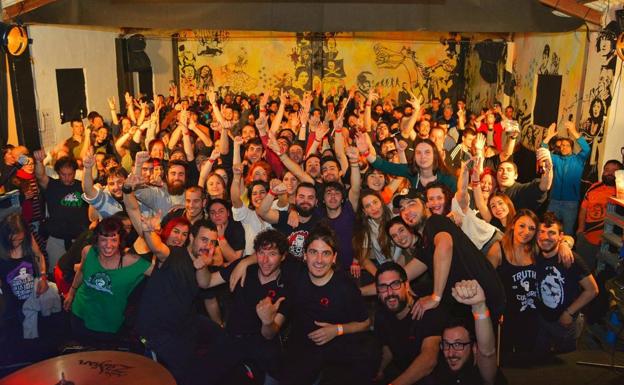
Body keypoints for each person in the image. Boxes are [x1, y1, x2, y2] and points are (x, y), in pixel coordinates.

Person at [258, 225, 380, 385]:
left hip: (336, 357)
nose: (319, 260)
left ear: (334, 257)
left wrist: (337, 330)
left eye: (326, 253)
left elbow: (365, 323)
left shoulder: (346, 287)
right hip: (299, 354)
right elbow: (269, 333)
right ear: (305, 255)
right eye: (314, 252)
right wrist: (267, 322)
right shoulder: (296, 279)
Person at [201, 229, 293, 384]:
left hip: (262, 348)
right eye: (261, 253)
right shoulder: (245, 268)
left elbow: (269, 334)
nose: (265, 260)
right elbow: (207, 282)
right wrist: (202, 265)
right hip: (232, 339)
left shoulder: (286, 287)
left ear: (282, 257)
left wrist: (267, 321)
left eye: (272, 254)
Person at [137, 218, 220, 385]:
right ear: (192, 238)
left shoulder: (202, 264)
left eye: (212, 242)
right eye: (204, 240)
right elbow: (158, 248)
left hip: (182, 332)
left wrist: (220, 325)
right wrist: (147, 231)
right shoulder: (174, 254)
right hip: (158, 334)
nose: (207, 245)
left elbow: (207, 290)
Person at [63, 216, 152, 345]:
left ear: (120, 240)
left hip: (109, 324)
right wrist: (71, 292)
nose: (108, 245)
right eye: (104, 240)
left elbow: (165, 274)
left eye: (114, 240)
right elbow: (81, 271)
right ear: (97, 240)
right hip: (81, 314)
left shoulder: (134, 263)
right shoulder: (88, 252)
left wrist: (153, 236)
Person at [535, 213, 598, 355]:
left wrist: (569, 312)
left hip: (565, 323)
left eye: (552, 233)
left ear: (560, 235)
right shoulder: (536, 253)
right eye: (542, 232)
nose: (545, 237)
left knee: (565, 369)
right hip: (542, 320)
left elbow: (592, 290)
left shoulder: (569, 258)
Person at [374, 262, 442, 384]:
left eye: (395, 284)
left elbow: (429, 359)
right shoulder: (382, 314)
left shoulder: (426, 310)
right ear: (378, 292)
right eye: (383, 287)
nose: (389, 293)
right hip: (402, 374)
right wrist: (379, 370)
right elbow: (388, 346)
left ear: (406, 285)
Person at [486, 209, 539, 362]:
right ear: (512, 226)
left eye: (532, 228)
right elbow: (486, 281)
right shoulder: (498, 249)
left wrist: (565, 244)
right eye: (522, 226)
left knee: (528, 361)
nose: (526, 232)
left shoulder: (536, 249)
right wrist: (495, 309)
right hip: (506, 317)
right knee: (505, 359)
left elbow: (561, 239)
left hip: (531, 317)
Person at [33, 151, 89, 274]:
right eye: (63, 174)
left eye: (70, 174)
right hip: (56, 239)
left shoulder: (82, 186)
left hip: (79, 239)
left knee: (79, 273)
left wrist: (88, 167)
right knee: (56, 272)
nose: (67, 177)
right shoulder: (52, 185)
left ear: (75, 172)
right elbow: (40, 175)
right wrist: (38, 161)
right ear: (58, 173)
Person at [434, 280, 499, 385]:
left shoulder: (480, 374)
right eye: (446, 344)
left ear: (474, 348)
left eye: (458, 344)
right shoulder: (439, 373)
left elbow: (487, 353)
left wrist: (479, 307)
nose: (451, 353)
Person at [541, 122, 590, 235]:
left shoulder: (578, 159)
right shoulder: (556, 159)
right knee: (548, 229)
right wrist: (549, 136)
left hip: (571, 203)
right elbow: (542, 151)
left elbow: (586, 149)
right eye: (562, 145)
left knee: (567, 232)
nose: (564, 147)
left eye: (567, 145)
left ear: (572, 148)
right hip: (554, 201)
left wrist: (573, 131)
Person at [576, 159, 623, 269]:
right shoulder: (594, 187)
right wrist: (580, 229)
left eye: (614, 170)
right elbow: (583, 209)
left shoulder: (621, 193)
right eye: (606, 170)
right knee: (582, 270)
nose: (610, 173)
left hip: (609, 243)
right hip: (587, 238)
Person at [258, 182, 321, 260]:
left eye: (310, 198)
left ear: (316, 202)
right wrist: (272, 192)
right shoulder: (285, 217)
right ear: (295, 199)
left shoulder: (321, 224)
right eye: (301, 197)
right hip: (284, 270)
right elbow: (262, 212)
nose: (305, 201)